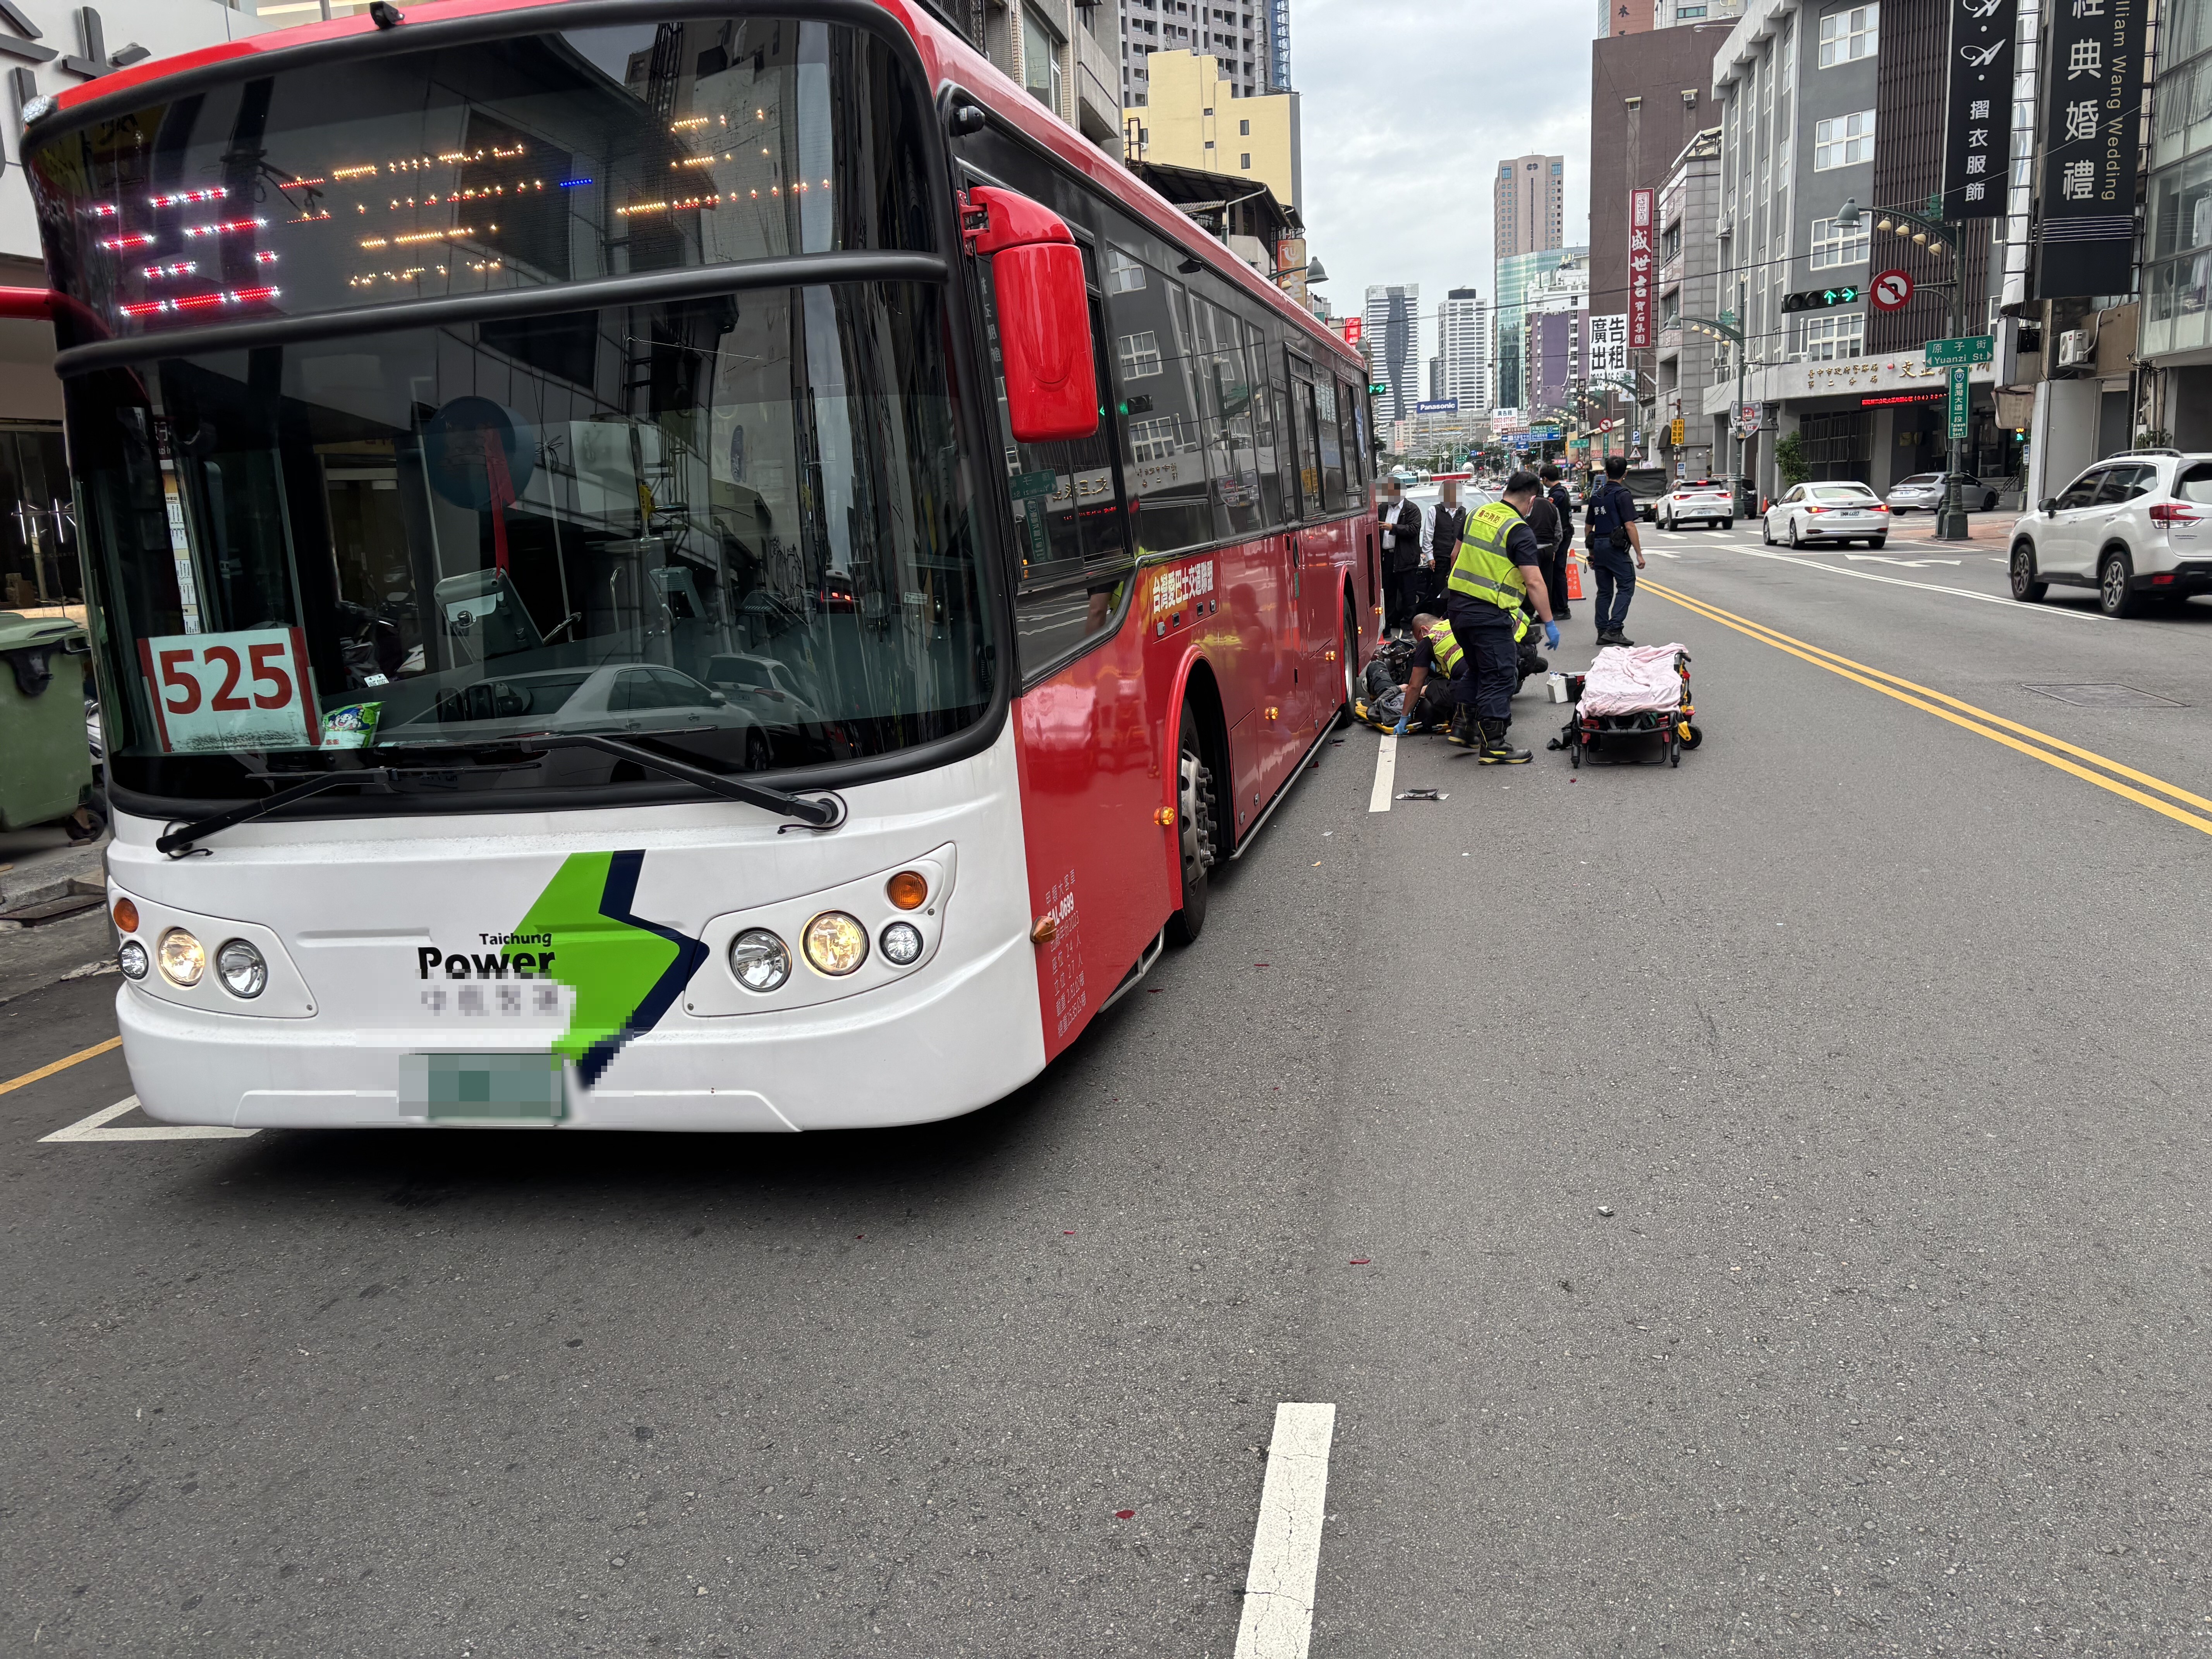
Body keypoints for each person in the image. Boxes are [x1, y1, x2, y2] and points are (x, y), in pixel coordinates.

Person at [1437, 470, 1558, 763]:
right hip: (1488, 614)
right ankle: (1494, 744)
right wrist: (1550, 622)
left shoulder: (1477, 514)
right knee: (1502, 675)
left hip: (1458, 608)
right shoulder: (1518, 530)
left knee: (1478, 669)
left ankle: (1463, 727)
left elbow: (1455, 557)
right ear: (1531, 500)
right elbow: (1534, 582)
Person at [1583, 453, 1648, 646]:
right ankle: (1614, 628)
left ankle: (1602, 631)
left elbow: (1588, 528)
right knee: (1627, 585)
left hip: (1599, 546)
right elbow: (1630, 525)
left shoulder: (1596, 496)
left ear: (1605, 472)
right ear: (1625, 474)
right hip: (1615, 548)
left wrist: (1592, 553)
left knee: (1604, 592)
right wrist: (1639, 554)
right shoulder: (1623, 495)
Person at [1389, 613, 1467, 736]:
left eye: (1418, 639)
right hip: (1494, 682)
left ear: (1424, 630)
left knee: (1433, 687)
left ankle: (1461, 717)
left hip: (1468, 688)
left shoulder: (1428, 640)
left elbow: (1415, 687)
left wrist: (1404, 718)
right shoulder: (1453, 623)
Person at [1379, 477, 1424, 635]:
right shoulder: (1383, 509)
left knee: (1408, 594)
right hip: (1387, 558)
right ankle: (1387, 626)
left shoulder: (1412, 509)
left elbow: (1413, 529)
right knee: (1388, 594)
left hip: (1406, 558)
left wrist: (1393, 528)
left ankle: (1407, 626)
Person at [1425, 480, 1468, 615]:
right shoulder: (1434, 511)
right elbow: (1428, 536)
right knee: (1439, 592)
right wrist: (1429, 557)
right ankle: (1438, 620)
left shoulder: (1463, 512)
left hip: (1458, 560)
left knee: (1457, 593)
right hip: (1440, 559)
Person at [1540, 464, 1574, 620]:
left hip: (1561, 537)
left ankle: (1561, 608)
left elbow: (1553, 519)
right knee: (1556, 571)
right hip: (1564, 534)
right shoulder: (1562, 491)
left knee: (1558, 571)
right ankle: (1557, 606)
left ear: (1545, 479)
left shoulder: (1556, 495)